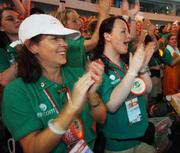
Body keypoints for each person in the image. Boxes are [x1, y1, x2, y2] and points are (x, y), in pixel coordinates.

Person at [2, 14, 106, 153]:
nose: (64, 44)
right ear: (32, 46)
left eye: (63, 38)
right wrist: (71, 108)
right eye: (55, 39)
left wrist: (92, 94)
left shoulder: (78, 74)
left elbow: (102, 118)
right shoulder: (17, 91)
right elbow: (33, 148)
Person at [93, 16, 156, 153]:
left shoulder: (124, 64)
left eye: (128, 32)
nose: (128, 37)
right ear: (107, 36)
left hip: (139, 137)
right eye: (123, 32)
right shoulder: (98, 67)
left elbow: (148, 89)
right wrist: (133, 71)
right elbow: (111, 105)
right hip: (119, 146)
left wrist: (143, 68)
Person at [50, 0, 111, 69]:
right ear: (63, 25)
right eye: (74, 21)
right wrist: (103, 12)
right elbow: (94, 42)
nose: (80, 23)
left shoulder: (80, 39)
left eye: (79, 19)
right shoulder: (66, 43)